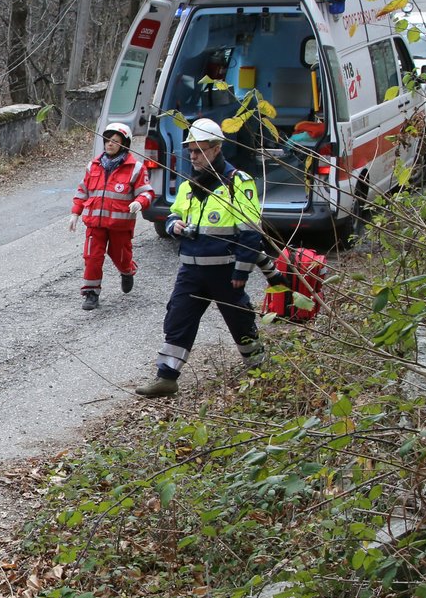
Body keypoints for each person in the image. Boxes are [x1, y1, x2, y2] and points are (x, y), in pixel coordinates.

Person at [134, 119, 306, 398]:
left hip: (226, 273)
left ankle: (258, 369)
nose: (193, 157)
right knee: (177, 320)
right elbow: (175, 214)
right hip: (191, 272)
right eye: (190, 151)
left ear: (216, 149)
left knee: (240, 322)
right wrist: (173, 226)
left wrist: (241, 273)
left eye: (199, 151)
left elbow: (251, 233)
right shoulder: (191, 184)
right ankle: (166, 377)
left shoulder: (239, 184)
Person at [69, 122, 151, 310]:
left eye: (115, 141)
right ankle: (91, 293)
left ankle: (127, 270)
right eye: (107, 140)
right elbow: (82, 191)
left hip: (119, 224)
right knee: (92, 257)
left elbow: (146, 192)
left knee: (120, 255)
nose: (110, 144)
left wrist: (139, 202)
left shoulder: (135, 168)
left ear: (124, 144)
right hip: (95, 224)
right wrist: (75, 213)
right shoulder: (94, 166)